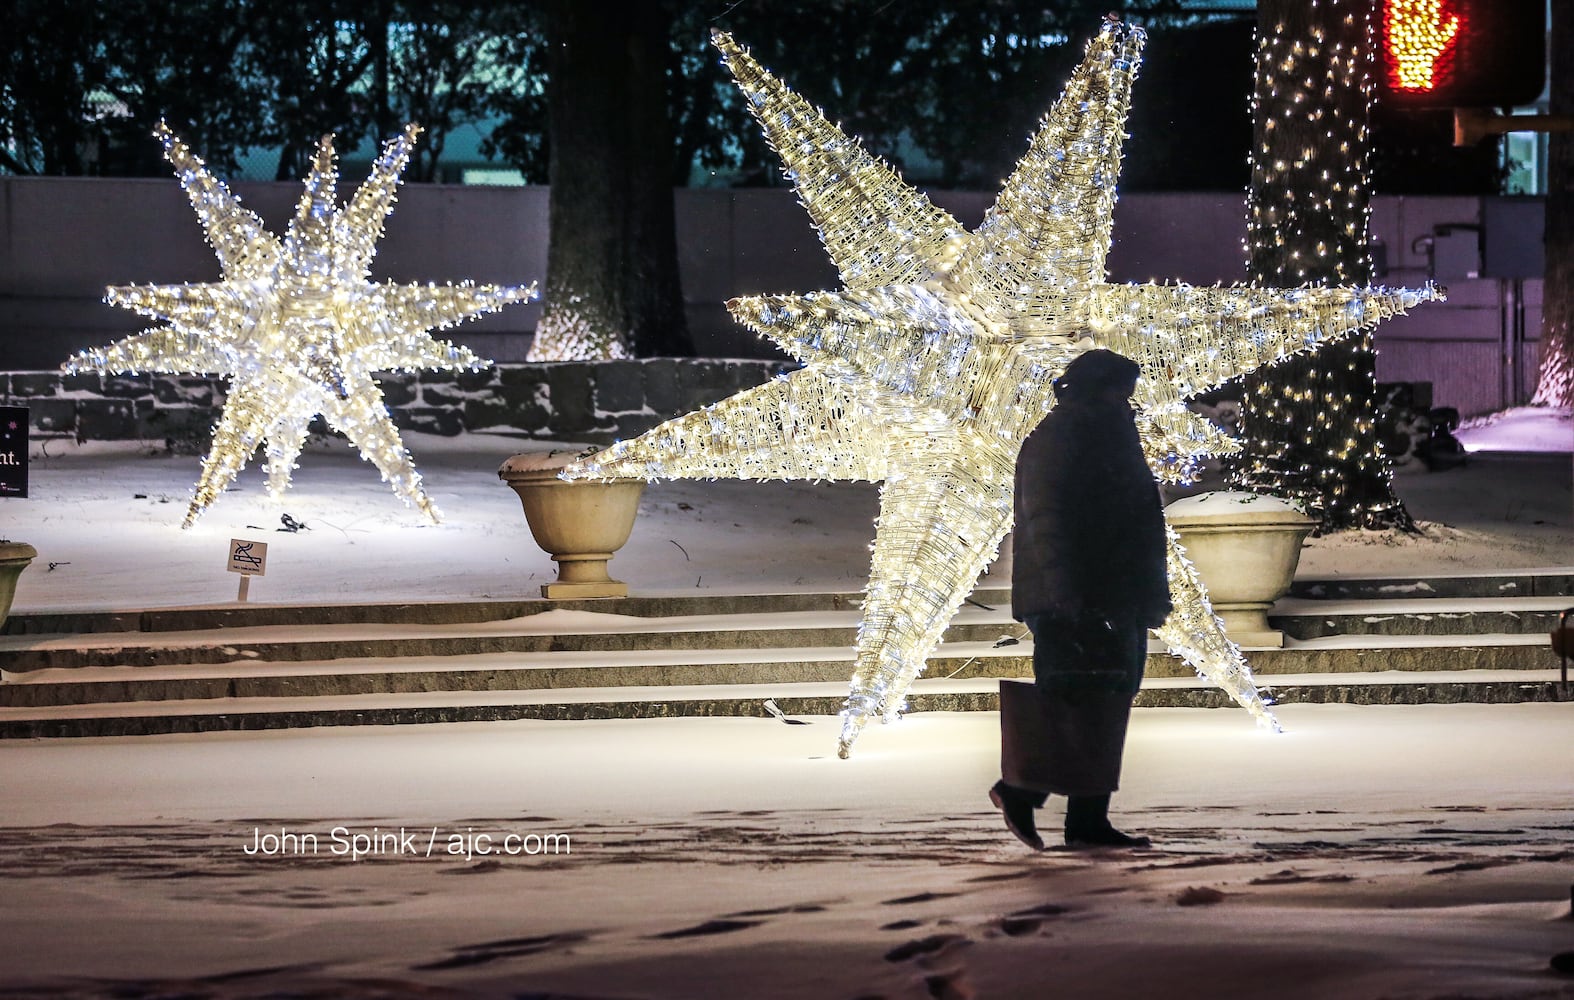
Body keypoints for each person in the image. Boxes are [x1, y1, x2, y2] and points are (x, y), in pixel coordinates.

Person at [990, 349, 1172, 850]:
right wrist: (1066, 591)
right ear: (1099, 386)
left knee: (1106, 703)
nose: (1128, 398)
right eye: (1121, 388)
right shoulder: (1069, 433)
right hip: (1079, 593)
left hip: (1115, 590)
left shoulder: (1107, 430)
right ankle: (1023, 789)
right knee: (1078, 700)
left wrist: (1148, 592)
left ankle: (1084, 818)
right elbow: (1047, 518)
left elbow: (1133, 517)